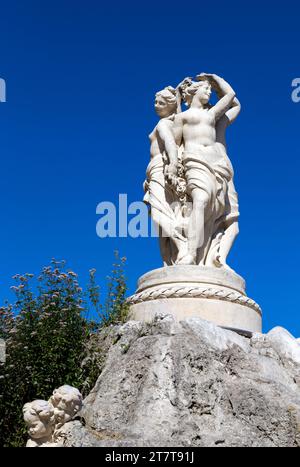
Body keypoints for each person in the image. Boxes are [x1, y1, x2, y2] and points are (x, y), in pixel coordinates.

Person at [173, 73, 236, 265]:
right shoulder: (181, 117)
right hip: (194, 160)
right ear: (192, 92)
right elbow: (175, 145)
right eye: (205, 88)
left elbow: (230, 95)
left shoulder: (211, 114)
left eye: (210, 89)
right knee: (200, 200)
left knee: (213, 208)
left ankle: (204, 254)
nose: (209, 91)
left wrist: (215, 79)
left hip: (215, 163)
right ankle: (190, 253)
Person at [144, 86, 188, 264]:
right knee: (162, 225)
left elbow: (170, 143)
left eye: (160, 102)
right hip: (156, 172)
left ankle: (183, 246)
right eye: (155, 101)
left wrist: (172, 164)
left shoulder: (163, 124)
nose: (156, 105)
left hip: (160, 169)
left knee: (158, 215)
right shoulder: (171, 122)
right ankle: (169, 263)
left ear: (169, 106)